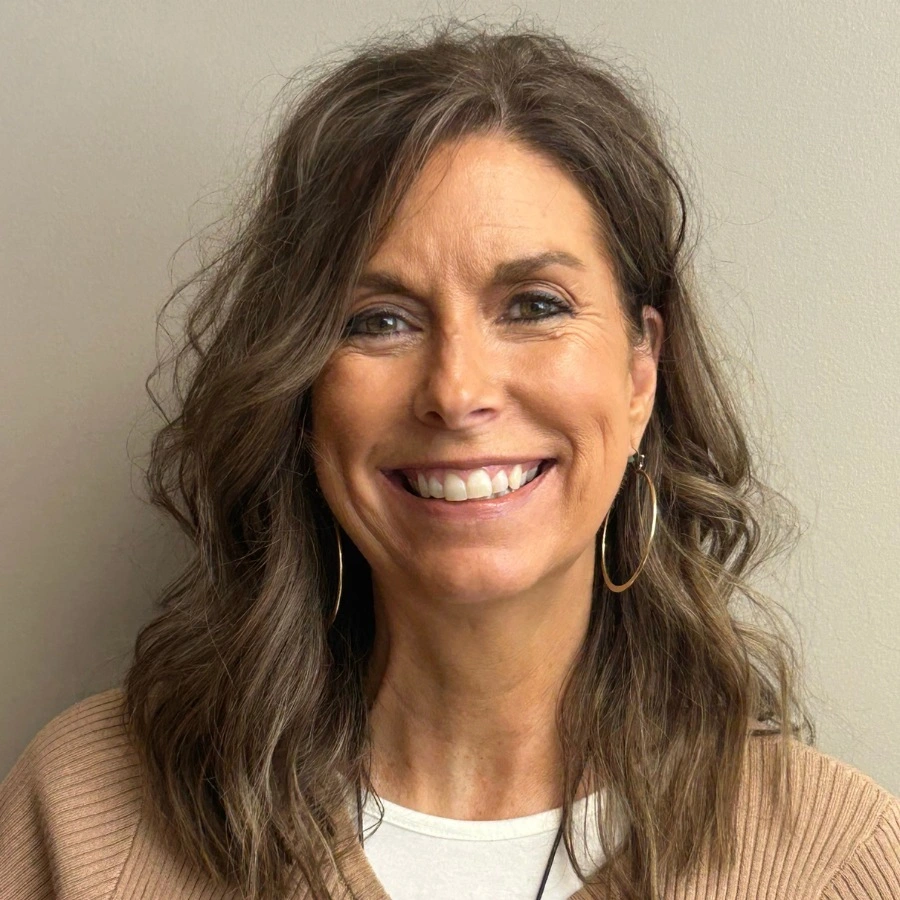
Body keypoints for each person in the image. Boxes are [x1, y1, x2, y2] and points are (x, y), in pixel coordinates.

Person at [1, 19, 898, 900]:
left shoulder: (831, 865)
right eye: (378, 320)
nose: (457, 391)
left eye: (535, 305)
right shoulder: (88, 818)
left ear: (640, 372)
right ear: (303, 391)